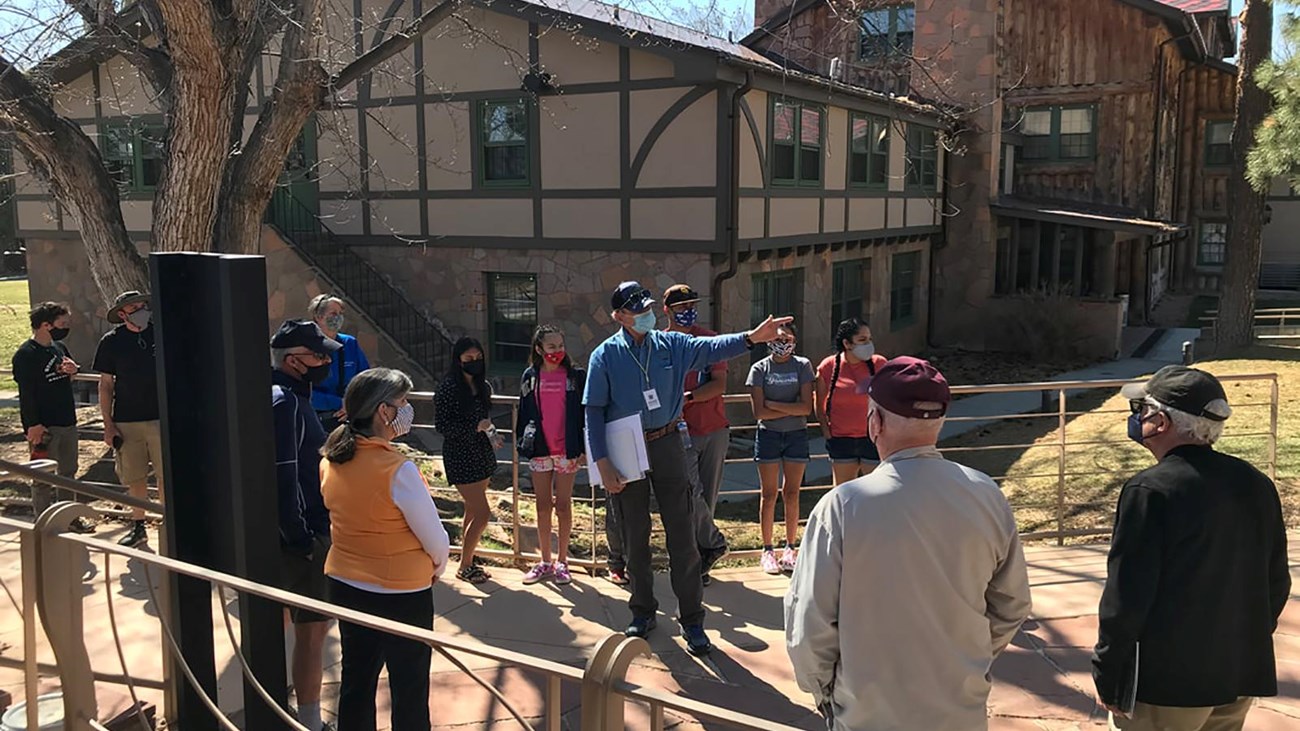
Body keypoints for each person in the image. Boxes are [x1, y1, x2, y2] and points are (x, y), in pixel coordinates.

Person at [786, 356, 1031, 731]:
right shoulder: (986, 494)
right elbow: (1012, 605)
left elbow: (809, 623)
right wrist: (968, 659)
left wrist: (825, 694)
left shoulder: (843, 506)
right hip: (959, 711)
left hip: (866, 714)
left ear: (876, 422)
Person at [584, 280, 789, 656]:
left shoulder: (671, 345)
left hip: (667, 443)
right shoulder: (605, 355)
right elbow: (593, 411)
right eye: (636, 309)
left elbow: (711, 348)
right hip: (626, 448)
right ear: (619, 316)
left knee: (683, 533)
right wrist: (602, 462)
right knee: (635, 534)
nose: (645, 314)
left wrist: (751, 338)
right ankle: (642, 611)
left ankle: (693, 619)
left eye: (647, 307)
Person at [1092, 366, 1290, 731]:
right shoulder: (1256, 483)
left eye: (1141, 409)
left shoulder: (1150, 491)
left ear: (1162, 421)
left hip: (1168, 687)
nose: (1137, 418)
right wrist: (1243, 639)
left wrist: (1109, 671)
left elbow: (1127, 597)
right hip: (1239, 673)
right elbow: (1276, 581)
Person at [321, 368, 450, 731]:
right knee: (409, 687)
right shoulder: (398, 470)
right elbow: (436, 540)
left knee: (356, 680)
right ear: (383, 411)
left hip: (346, 583)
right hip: (402, 592)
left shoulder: (330, 460)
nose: (407, 409)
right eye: (402, 403)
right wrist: (435, 569)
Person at [270, 320, 341, 731]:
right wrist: (303, 539)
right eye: (318, 355)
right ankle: (310, 722)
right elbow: (286, 474)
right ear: (294, 361)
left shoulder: (284, 397)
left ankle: (279, 706)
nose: (326, 361)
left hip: (292, 534)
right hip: (301, 538)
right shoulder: (287, 404)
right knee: (312, 633)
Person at [662, 284, 730, 586]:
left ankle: (701, 563)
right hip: (676, 431)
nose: (688, 311)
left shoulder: (711, 341)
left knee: (707, 498)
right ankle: (713, 542)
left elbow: (718, 384)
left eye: (692, 304)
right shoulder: (658, 343)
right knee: (690, 494)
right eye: (681, 307)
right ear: (667, 311)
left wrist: (687, 398)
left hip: (713, 428)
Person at [13, 301, 94, 533]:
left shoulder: (59, 348)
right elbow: (26, 393)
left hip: (67, 420)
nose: (65, 327)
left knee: (68, 473)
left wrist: (73, 371)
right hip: (44, 425)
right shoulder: (25, 355)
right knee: (42, 477)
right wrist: (33, 424)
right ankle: (44, 522)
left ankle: (69, 517)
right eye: (62, 323)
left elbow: (68, 375)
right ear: (46, 325)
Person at [517, 325, 586, 586]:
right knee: (543, 506)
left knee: (564, 506)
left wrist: (581, 448)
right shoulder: (530, 376)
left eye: (560, 345)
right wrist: (523, 443)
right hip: (540, 449)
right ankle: (545, 561)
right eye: (551, 346)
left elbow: (582, 412)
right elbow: (524, 411)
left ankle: (563, 561)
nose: (557, 351)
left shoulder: (575, 376)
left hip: (567, 448)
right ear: (539, 349)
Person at [94, 291, 162, 548]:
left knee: (167, 475)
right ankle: (138, 525)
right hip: (127, 421)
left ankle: (168, 523)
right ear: (122, 314)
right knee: (135, 477)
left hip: (160, 419)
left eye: (142, 305)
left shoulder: (160, 334)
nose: (140, 310)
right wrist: (108, 424)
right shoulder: (111, 342)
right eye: (133, 307)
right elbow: (106, 385)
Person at [745, 322, 813, 575]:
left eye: (788, 338)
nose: (783, 343)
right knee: (769, 494)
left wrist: (772, 403)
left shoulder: (803, 366)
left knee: (792, 493)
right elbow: (758, 412)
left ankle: (790, 547)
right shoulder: (759, 369)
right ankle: (767, 549)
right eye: (779, 337)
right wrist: (788, 406)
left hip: (796, 434)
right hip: (768, 436)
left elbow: (807, 407)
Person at [434, 337, 503, 585]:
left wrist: (491, 435)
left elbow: (484, 420)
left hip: (482, 453)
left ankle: (469, 558)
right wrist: (474, 427)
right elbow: (442, 425)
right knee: (483, 513)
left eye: (478, 358)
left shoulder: (482, 386)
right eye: (468, 359)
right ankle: (464, 565)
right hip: (460, 455)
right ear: (458, 359)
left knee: (473, 510)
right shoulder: (448, 388)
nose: (474, 362)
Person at [814, 317, 888, 486]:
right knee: (843, 494)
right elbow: (819, 405)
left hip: (873, 438)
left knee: (877, 491)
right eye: (862, 340)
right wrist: (827, 432)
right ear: (847, 344)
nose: (868, 344)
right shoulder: (828, 366)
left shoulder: (880, 364)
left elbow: (889, 399)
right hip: (841, 441)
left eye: (869, 339)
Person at [308, 294, 371, 433]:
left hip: (349, 419)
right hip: (316, 421)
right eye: (333, 313)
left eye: (341, 313)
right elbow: (302, 392)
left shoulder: (349, 343)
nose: (338, 317)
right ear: (318, 317)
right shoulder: (305, 346)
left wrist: (352, 405)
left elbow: (365, 379)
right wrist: (338, 403)